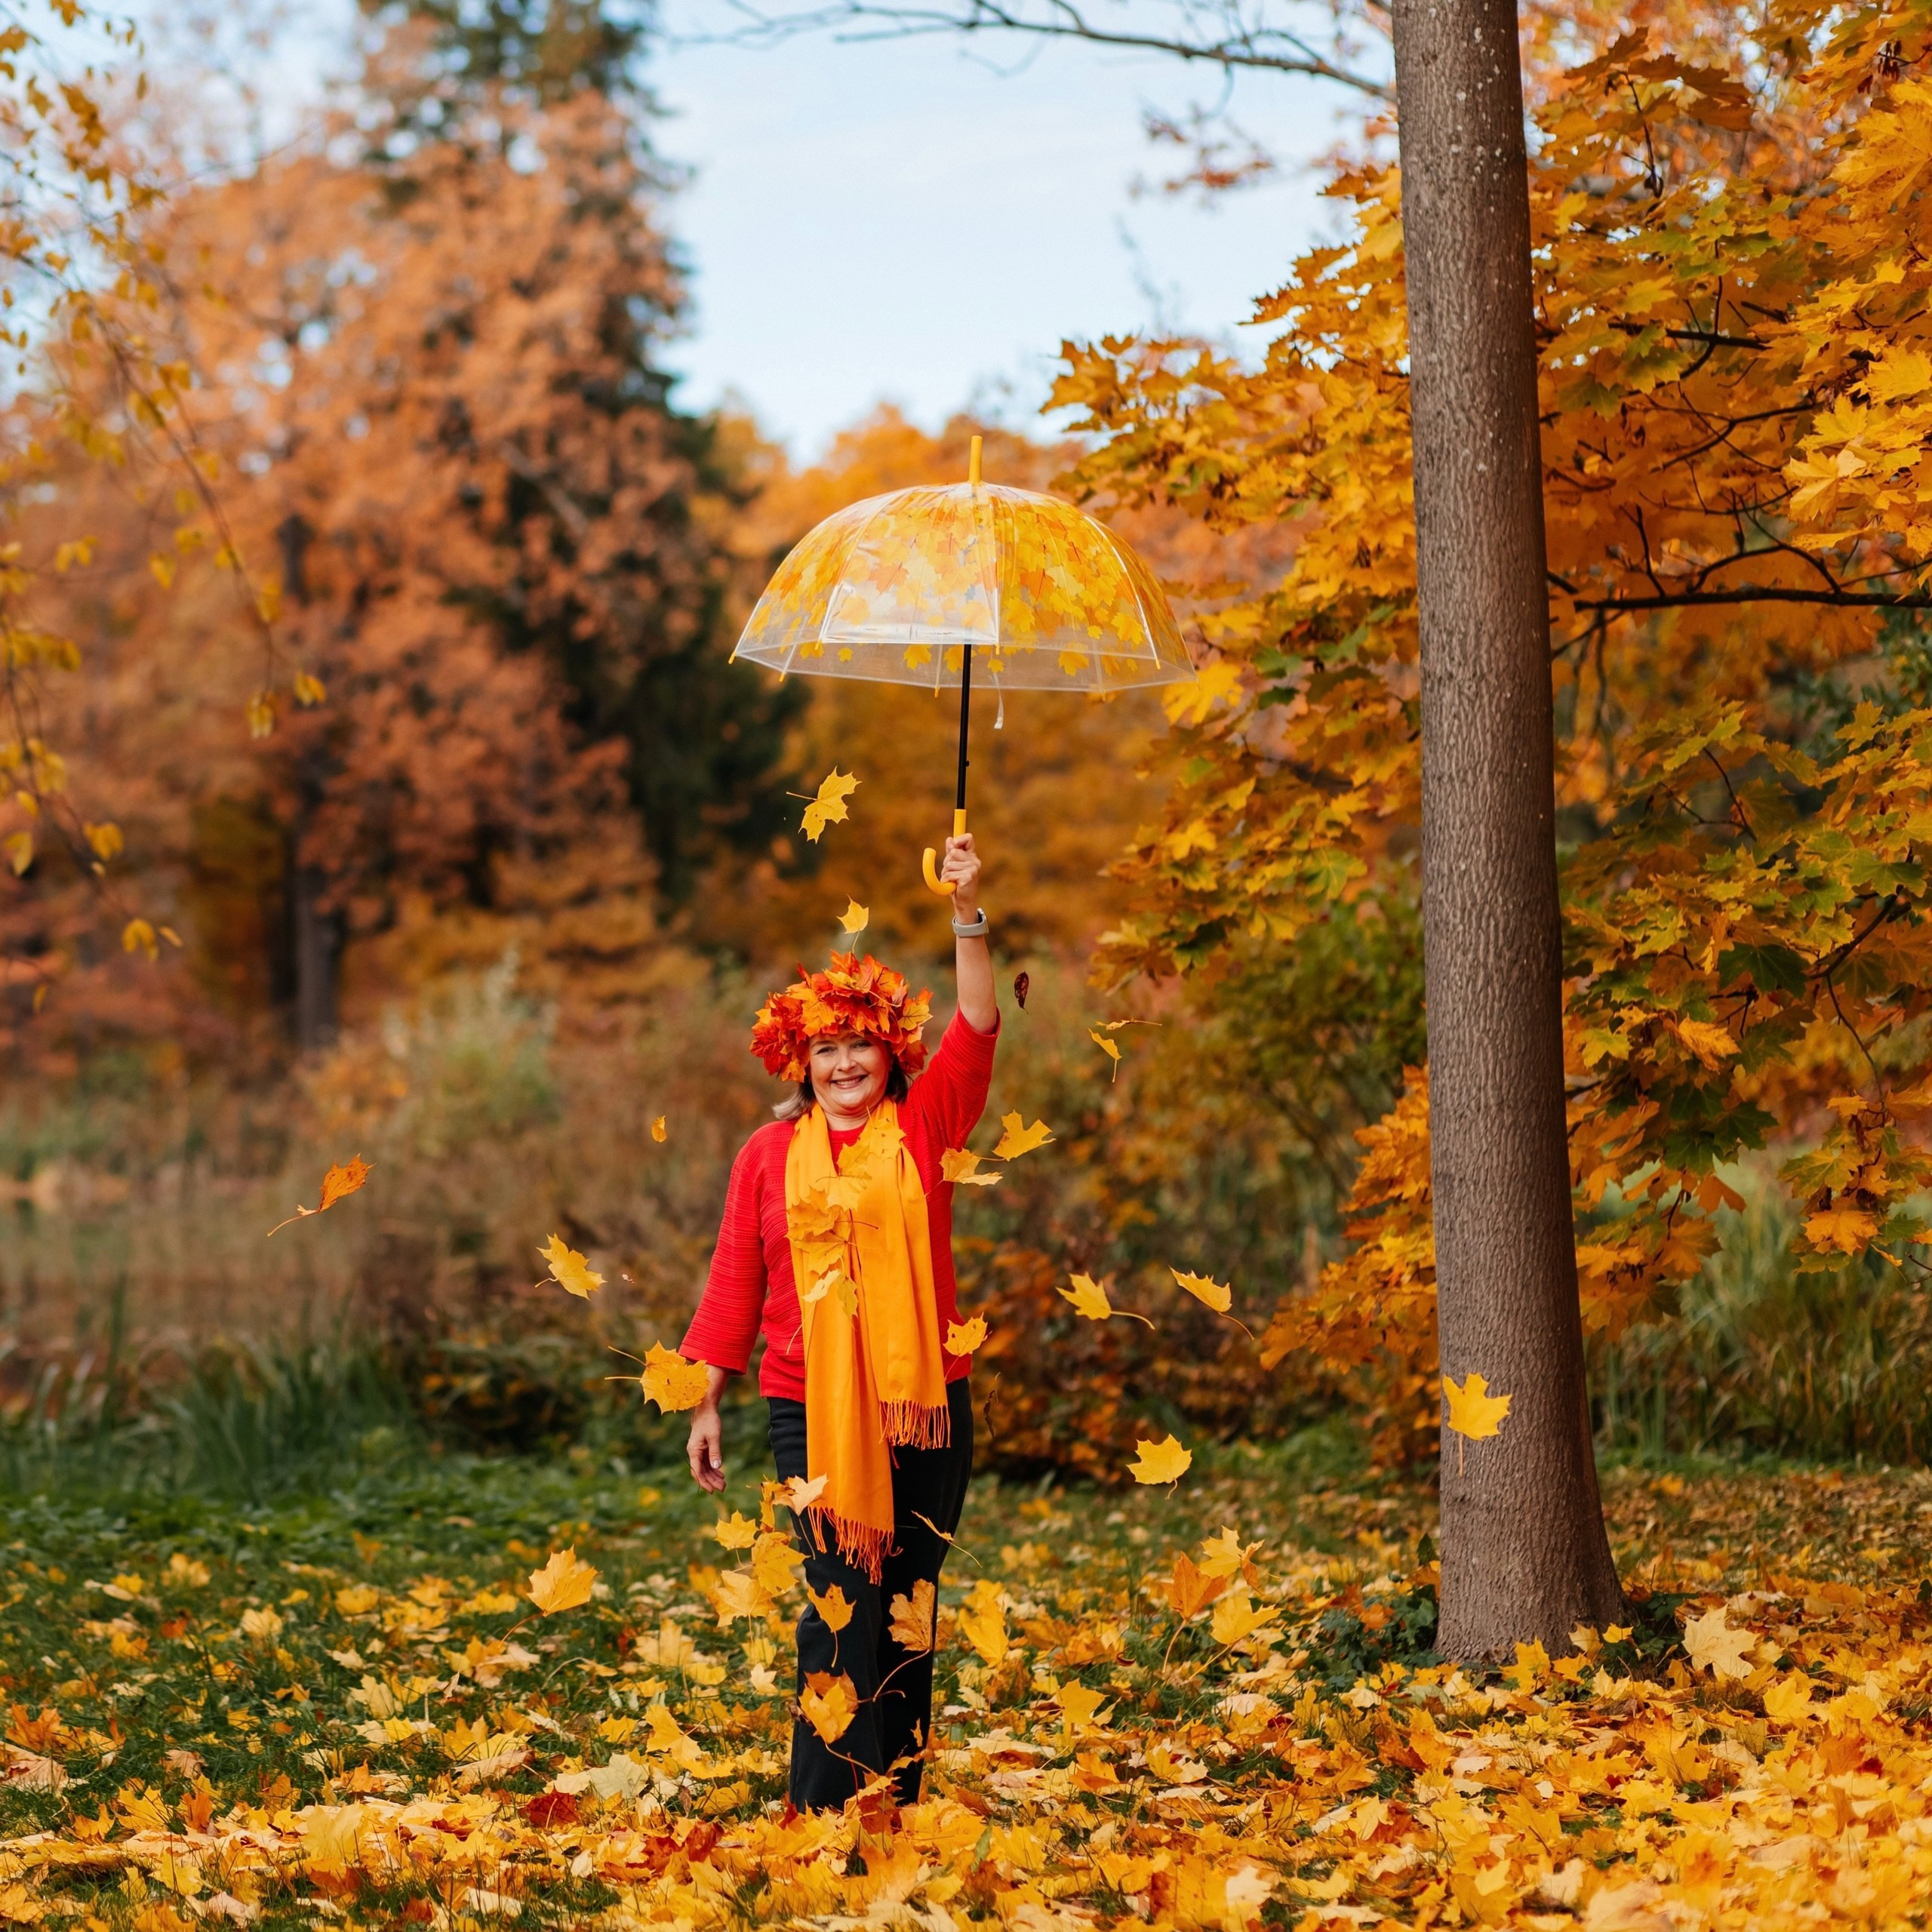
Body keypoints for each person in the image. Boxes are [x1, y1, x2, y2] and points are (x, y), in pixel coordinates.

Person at [678, 834, 997, 1812]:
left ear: (889, 1052)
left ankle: (891, 1801)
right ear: (802, 1060)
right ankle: (821, 1813)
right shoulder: (768, 1156)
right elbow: (737, 1279)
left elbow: (980, 1025)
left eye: (861, 1044)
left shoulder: (927, 1123)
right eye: (827, 1048)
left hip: (925, 1405)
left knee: (906, 1604)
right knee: (835, 1605)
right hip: (806, 1406)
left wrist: (966, 910)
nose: (846, 1061)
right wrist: (705, 1402)